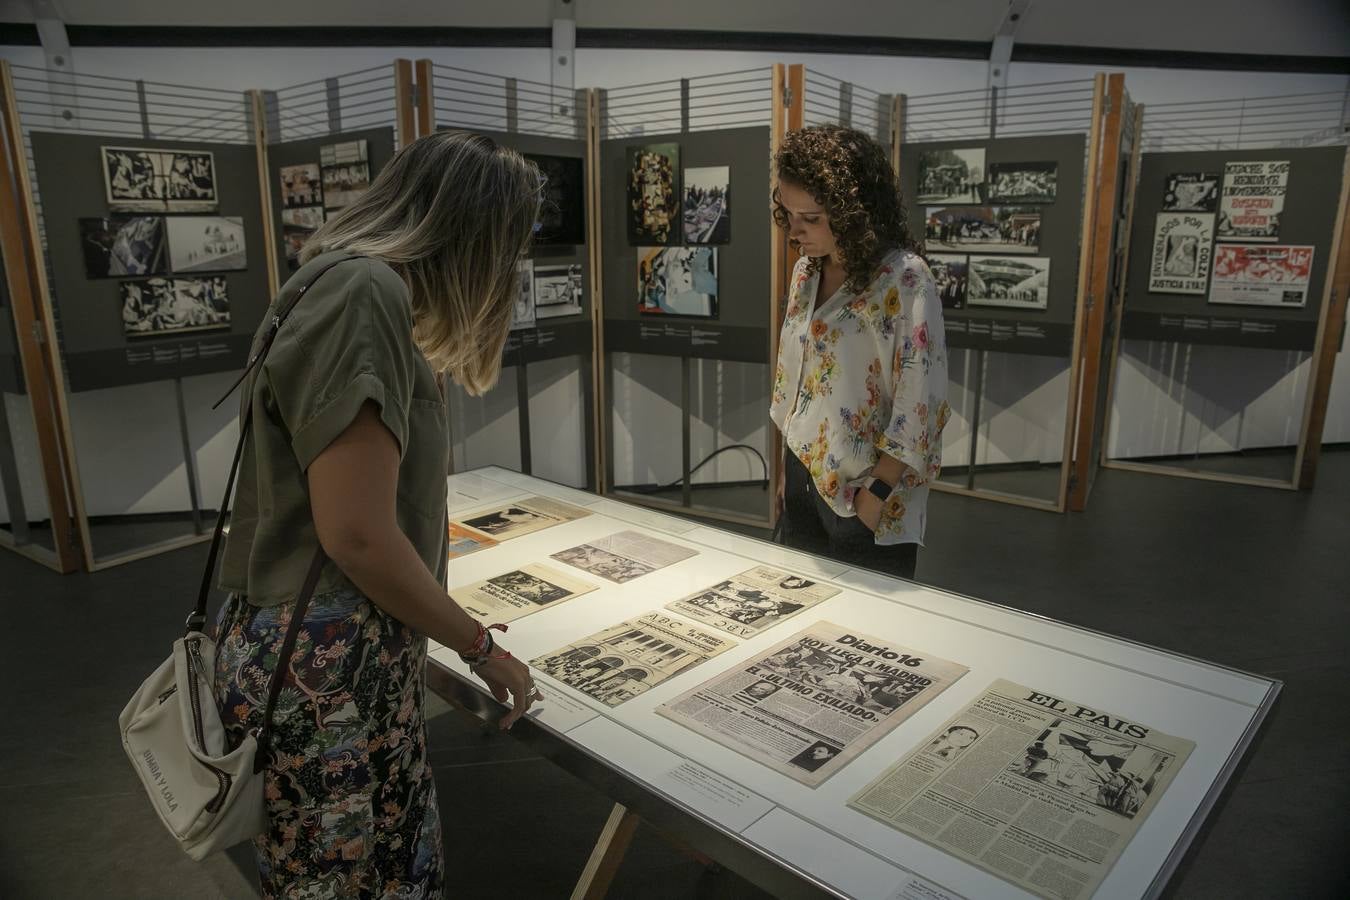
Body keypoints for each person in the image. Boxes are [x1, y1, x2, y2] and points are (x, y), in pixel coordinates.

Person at [211, 130, 544, 898]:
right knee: (357, 879)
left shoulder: (331, 283)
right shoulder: (365, 295)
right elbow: (356, 533)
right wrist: (478, 645)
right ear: (468, 236)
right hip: (326, 671)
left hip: (325, 659)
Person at [771, 126, 950, 581]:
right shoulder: (806, 272)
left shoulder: (905, 281)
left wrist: (877, 492)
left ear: (853, 212)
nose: (795, 231)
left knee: (865, 627)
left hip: (867, 488)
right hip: (804, 472)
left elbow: (922, 400)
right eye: (788, 213)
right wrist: (786, 470)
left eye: (810, 218)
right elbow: (794, 379)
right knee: (793, 612)